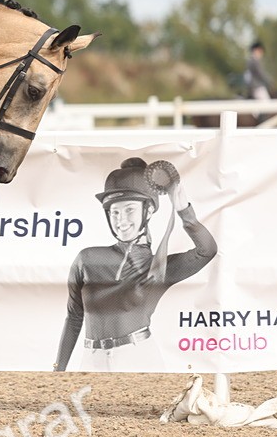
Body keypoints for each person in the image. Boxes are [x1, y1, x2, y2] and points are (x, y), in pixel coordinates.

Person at [54, 158, 217, 372]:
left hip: (138, 357)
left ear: (148, 211)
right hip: (91, 360)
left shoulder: (159, 268)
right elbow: (74, 316)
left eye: (129, 210)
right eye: (115, 212)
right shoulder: (86, 258)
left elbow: (207, 251)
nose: (121, 220)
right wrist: (59, 369)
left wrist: (183, 210)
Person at [246, 41, 274, 122]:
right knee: (267, 103)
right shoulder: (254, 60)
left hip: (254, 85)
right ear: (256, 50)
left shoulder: (252, 60)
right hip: (256, 86)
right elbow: (260, 73)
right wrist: (269, 81)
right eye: (260, 51)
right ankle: (262, 123)